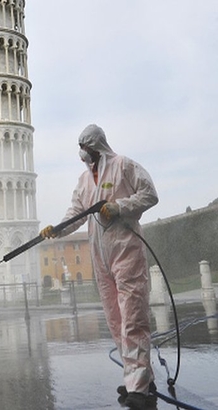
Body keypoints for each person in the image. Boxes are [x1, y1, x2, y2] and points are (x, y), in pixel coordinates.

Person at [40, 124, 158, 409]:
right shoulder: (83, 181)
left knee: (133, 319)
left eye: (87, 148)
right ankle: (137, 378)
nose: (84, 154)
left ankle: (139, 389)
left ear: (97, 146)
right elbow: (76, 214)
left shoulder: (124, 166)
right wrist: (57, 230)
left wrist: (119, 206)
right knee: (116, 321)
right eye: (81, 149)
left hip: (126, 250)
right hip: (100, 257)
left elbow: (150, 195)